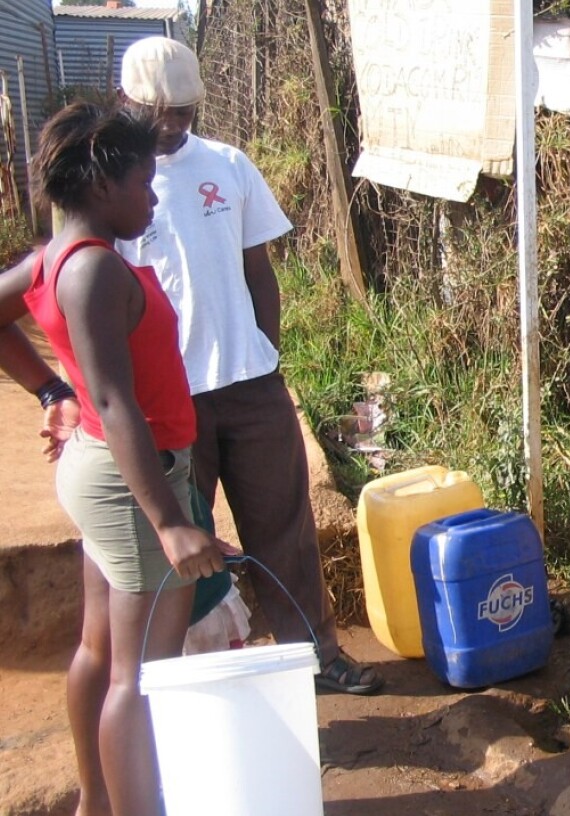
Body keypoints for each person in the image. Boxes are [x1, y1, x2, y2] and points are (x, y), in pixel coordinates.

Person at [115, 36, 382, 694]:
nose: (174, 124)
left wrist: (264, 350)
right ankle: (182, 684)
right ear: (126, 101)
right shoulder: (115, 187)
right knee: (180, 542)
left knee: (284, 529)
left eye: (185, 111)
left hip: (251, 387)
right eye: (161, 112)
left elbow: (258, 271)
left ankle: (317, 656)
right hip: (169, 400)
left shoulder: (227, 166)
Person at [0, 101, 231, 815]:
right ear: (103, 186)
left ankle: (95, 802)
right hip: (132, 482)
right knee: (140, 674)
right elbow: (118, 400)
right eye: (143, 181)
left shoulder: (51, 259)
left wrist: (50, 391)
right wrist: (170, 522)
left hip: (98, 466)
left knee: (100, 650)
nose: (153, 196)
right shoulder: (94, 272)